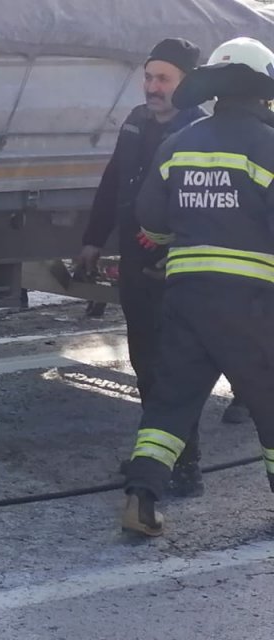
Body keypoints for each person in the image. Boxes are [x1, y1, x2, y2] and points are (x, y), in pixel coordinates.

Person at [122, 37, 274, 537]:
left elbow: (150, 219)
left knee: (171, 403)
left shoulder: (179, 142)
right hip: (250, 304)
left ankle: (142, 495)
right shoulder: (269, 145)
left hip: (185, 296)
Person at [75, 38, 209, 497]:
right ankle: (154, 456)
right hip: (136, 264)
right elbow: (113, 181)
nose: (152, 88)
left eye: (163, 79)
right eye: (149, 77)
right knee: (144, 363)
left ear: (187, 83)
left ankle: (186, 466)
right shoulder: (135, 122)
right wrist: (93, 239)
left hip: (178, 271)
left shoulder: (200, 131)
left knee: (175, 369)